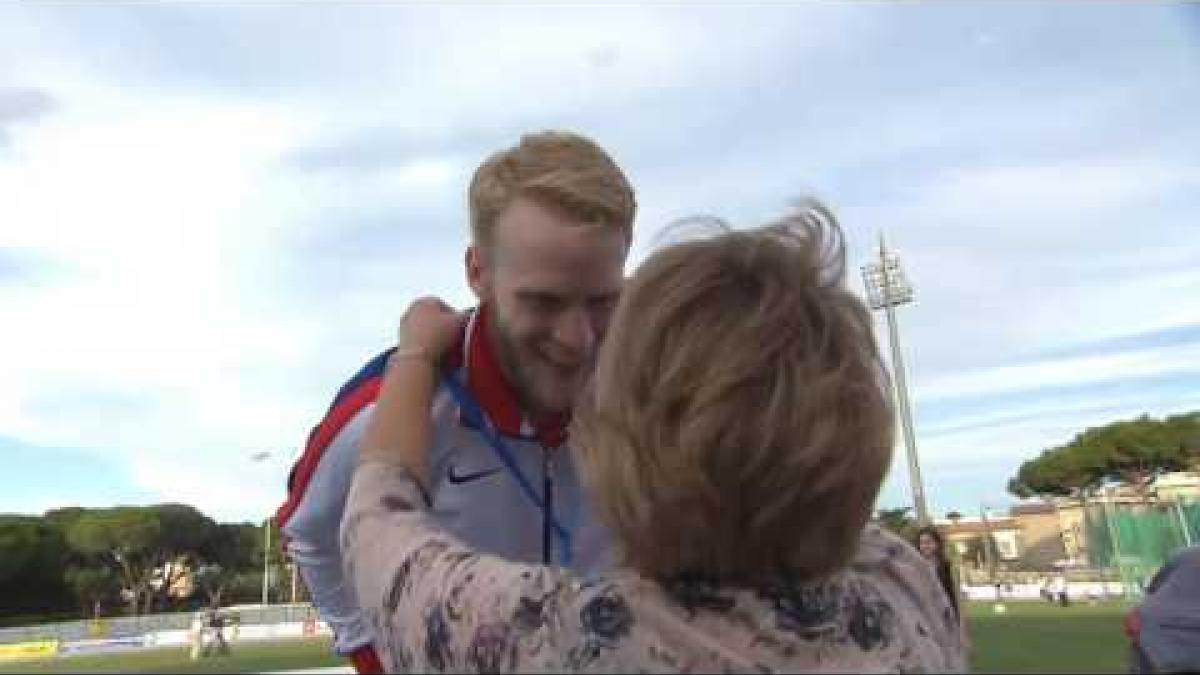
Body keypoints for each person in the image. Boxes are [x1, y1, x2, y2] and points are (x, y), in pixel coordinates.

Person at [340, 201, 968, 672]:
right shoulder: (903, 582)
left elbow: (377, 523)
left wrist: (416, 356)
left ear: (624, 453)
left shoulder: (562, 636)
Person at [276, 131, 636, 673]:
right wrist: (375, 657)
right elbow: (310, 534)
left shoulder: (653, 396)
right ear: (477, 273)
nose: (577, 339)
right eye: (543, 301)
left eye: (602, 300)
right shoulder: (386, 410)